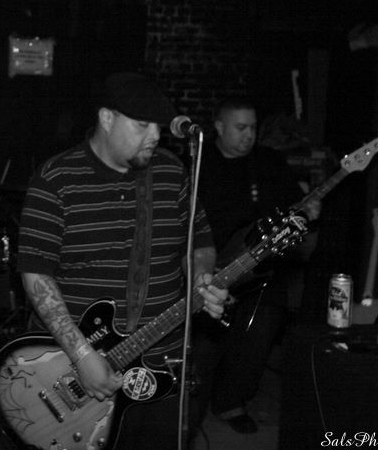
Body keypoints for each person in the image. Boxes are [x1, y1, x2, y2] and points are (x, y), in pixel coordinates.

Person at [15, 72, 228, 450]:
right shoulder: (55, 179)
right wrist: (82, 354)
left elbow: (199, 242)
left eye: (158, 126)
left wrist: (202, 277)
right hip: (77, 363)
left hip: (163, 358)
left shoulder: (172, 172)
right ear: (107, 118)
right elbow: (37, 273)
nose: (155, 136)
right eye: (142, 125)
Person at [192, 96, 320, 434]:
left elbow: (293, 209)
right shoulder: (200, 164)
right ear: (219, 127)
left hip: (263, 268)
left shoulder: (269, 161)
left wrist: (307, 214)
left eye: (252, 127)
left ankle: (231, 402)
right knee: (204, 346)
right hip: (216, 267)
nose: (249, 135)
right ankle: (191, 406)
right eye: (240, 127)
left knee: (257, 338)